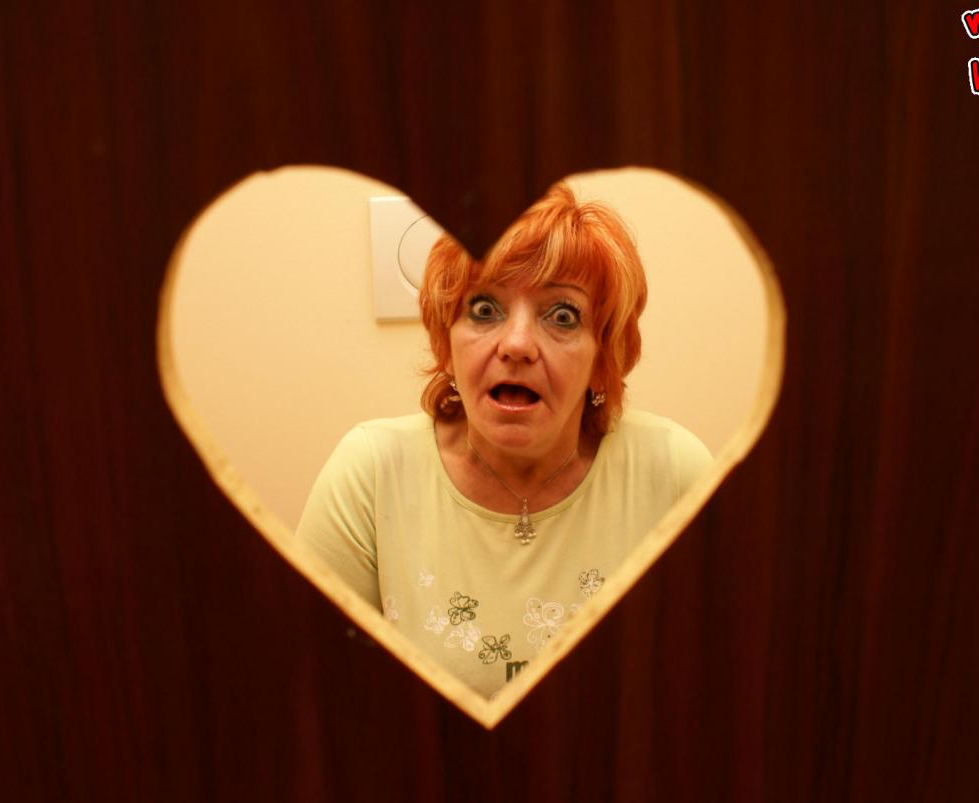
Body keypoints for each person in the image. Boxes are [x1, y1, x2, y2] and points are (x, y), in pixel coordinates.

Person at [296, 184, 713, 697]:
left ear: (601, 359)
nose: (516, 345)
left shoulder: (675, 477)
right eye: (484, 309)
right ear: (446, 344)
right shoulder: (369, 476)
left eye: (563, 316)